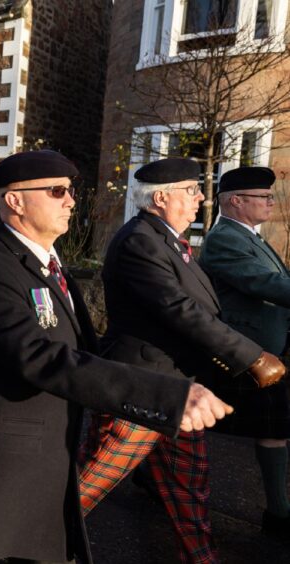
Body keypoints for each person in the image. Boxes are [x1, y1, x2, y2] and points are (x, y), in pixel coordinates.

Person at [0, 150, 246, 564]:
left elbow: (83, 347)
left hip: (47, 452)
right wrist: (163, 395)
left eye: (71, 191)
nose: (71, 200)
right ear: (14, 201)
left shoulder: (47, 262)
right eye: (57, 191)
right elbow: (41, 357)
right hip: (3, 465)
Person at [78, 158, 285, 564]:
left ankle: (201, 558)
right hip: (143, 385)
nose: (201, 198)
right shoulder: (140, 240)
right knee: (88, 484)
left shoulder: (168, 239)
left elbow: (201, 308)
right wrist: (252, 356)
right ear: (160, 198)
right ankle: (14, 546)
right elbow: (178, 310)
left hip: (180, 386)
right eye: (191, 190)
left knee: (189, 487)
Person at [199, 165, 290, 538]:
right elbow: (264, 283)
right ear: (235, 201)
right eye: (263, 197)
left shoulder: (251, 236)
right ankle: (279, 513)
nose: (271, 202)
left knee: (274, 427)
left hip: (265, 348)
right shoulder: (224, 238)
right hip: (244, 352)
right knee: (268, 428)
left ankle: (278, 510)